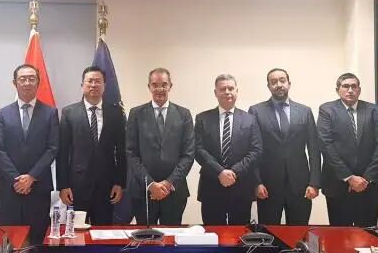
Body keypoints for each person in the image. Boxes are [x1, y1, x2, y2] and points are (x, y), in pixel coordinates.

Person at [0, 64, 59, 241]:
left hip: (38, 188)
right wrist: (17, 179)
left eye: (31, 79)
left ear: (38, 82)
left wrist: (31, 177)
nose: (27, 83)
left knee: (37, 240)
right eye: (22, 79)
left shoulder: (50, 113)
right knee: (8, 240)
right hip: (9, 188)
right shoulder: (2, 114)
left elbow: (52, 148)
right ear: (14, 83)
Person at [249, 68, 320, 224]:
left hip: (300, 185)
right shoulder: (256, 111)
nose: (279, 84)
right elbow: (253, 150)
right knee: (268, 232)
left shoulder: (305, 111)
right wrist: (257, 182)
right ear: (268, 86)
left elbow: (314, 149)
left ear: (289, 83)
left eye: (282, 80)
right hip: (268, 185)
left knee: (298, 232)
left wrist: (314, 183)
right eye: (273, 82)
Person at [317, 73, 378, 226]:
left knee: (368, 234)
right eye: (345, 86)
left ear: (359, 90)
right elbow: (326, 145)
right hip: (337, 185)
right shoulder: (327, 110)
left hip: (368, 186)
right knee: (340, 235)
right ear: (338, 90)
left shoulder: (373, 110)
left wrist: (366, 179)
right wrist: (349, 177)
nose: (350, 90)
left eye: (354, 86)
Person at [57, 66, 126, 224]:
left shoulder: (116, 113)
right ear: (82, 85)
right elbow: (62, 152)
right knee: (76, 231)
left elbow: (121, 151)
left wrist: (119, 183)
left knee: (103, 233)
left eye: (98, 81)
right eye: (90, 81)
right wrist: (63, 185)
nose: (93, 85)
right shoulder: (69, 112)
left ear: (104, 85)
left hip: (107, 186)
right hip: (76, 186)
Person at [125, 68, 194, 225]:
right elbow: (131, 153)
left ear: (170, 86)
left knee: (171, 237)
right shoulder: (136, 114)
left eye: (164, 84)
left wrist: (168, 183)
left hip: (174, 191)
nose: (159, 89)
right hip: (143, 192)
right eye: (155, 85)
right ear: (149, 87)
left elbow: (188, 154)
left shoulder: (184, 114)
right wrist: (150, 184)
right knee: (144, 237)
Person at [195, 74, 262, 224]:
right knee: (213, 233)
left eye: (231, 88)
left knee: (240, 233)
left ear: (237, 91)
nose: (227, 92)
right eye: (222, 89)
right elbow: (198, 149)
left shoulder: (250, 119)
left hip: (241, 187)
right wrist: (220, 171)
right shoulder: (202, 118)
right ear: (215, 92)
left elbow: (256, 151)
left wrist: (234, 172)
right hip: (211, 186)